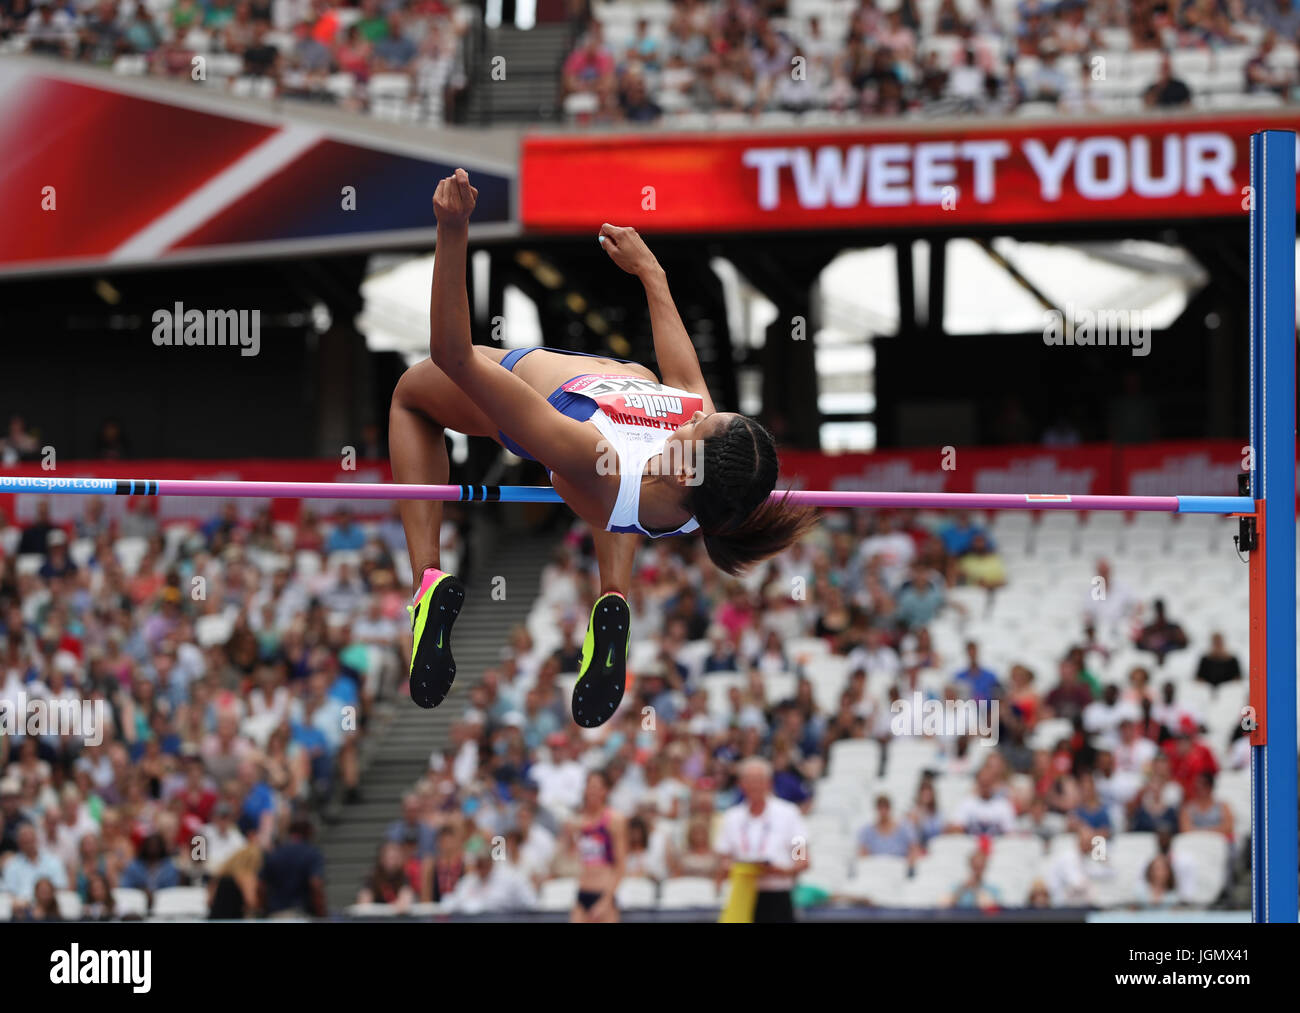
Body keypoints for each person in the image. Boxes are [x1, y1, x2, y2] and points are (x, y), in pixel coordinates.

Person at [389, 170, 817, 727]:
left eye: (696, 431)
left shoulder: (587, 452)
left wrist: (452, 231)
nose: (694, 417)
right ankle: (612, 595)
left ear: (688, 471)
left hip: (564, 396)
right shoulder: (702, 492)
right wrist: (651, 274)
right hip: (625, 465)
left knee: (410, 397)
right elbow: (686, 377)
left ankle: (428, 581)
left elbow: (454, 356)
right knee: (624, 492)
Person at [716, 757, 809, 923]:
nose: (754, 786)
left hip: (777, 896)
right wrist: (731, 867)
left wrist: (780, 870)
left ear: (769, 783)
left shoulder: (789, 813)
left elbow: (802, 858)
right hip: (743, 894)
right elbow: (724, 858)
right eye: (749, 781)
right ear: (741, 784)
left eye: (759, 780)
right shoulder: (732, 817)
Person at [571, 771, 626, 923]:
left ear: (605, 791)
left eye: (597, 787)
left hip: (603, 892)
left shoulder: (614, 820)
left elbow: (620, 865)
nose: (593, 791)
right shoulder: (580, 821)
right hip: (582, 892)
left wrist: (606, 901)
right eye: (590, 787)